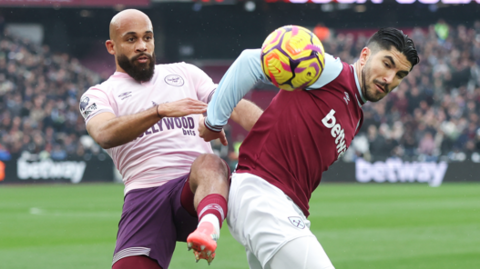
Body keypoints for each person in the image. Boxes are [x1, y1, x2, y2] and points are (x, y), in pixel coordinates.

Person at [199, 27, 419, 269]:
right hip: (263, 196)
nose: (390, 78)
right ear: (365, 55)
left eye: (400, 75)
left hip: (284, 208)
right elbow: (250, 61)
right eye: (387, 64)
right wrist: (214, 121)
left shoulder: (356, 116)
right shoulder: (331, 71)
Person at [79, 9, 262, 269]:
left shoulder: (185, 73)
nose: (142, 46)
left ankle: (207, 229)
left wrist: (271, 131)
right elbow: (104, 133)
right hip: (143, 195)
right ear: (112, 46)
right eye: (131, 39)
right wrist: (160, 110)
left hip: (192, 189)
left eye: (147, 37)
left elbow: (231, 103)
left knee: (210, 162)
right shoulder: (99, 94)